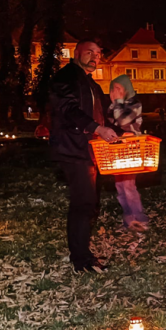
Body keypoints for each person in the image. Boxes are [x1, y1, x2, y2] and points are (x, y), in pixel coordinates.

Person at [49, 41, 117, 272]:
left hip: (91, 151)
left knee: (90, 203)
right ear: (76, 53)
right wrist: (97, 129)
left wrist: (115, 130)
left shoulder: (91, 84)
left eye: (98, 53)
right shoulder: (65, 78)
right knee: (83, 203)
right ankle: (81, 260)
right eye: (90, 52)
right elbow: (68, 109)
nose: (95, 57)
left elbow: (100, 115)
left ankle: (82, 254)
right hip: (73, 149)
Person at [107, 74, 150, 232]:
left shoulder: (134, 103)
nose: (115, 92)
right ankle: (128, 219)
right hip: (118, 150)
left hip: (132, 149)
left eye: (119, 88)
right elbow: (112, 120)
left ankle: (139, 218)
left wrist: (117, 103)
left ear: (126, 89)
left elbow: (124, 122)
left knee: (128, 185)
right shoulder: (115, 105)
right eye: (113, 89)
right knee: (120, 186)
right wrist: (114, 104)